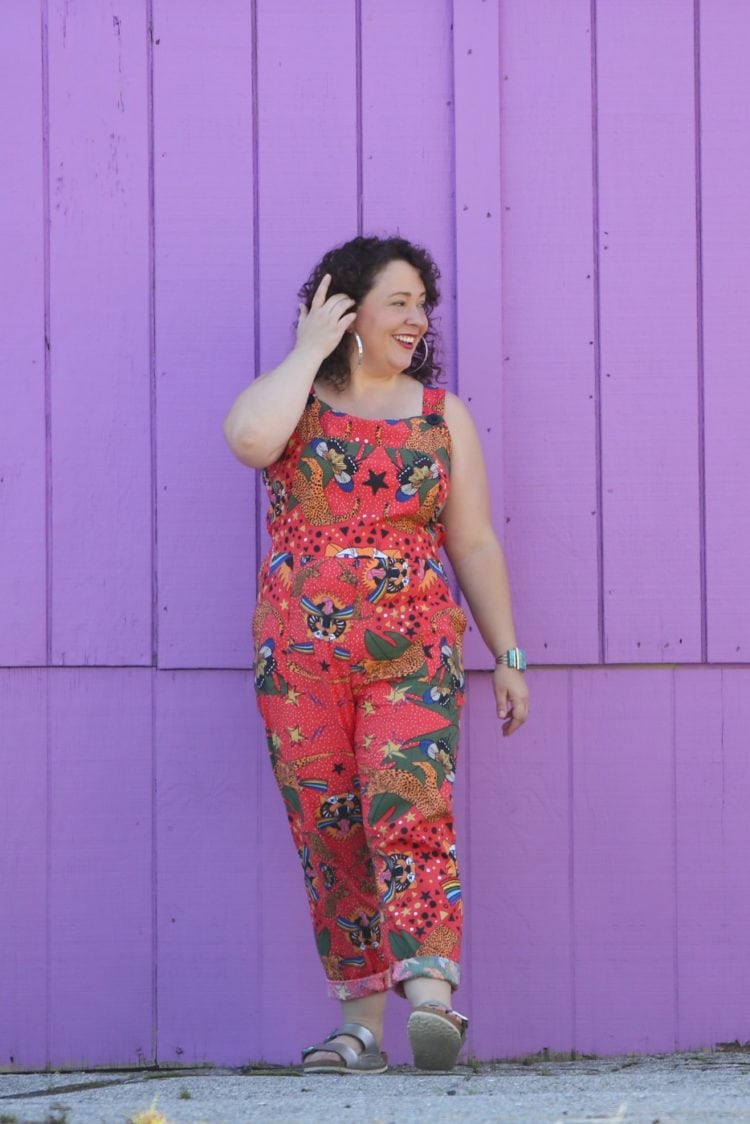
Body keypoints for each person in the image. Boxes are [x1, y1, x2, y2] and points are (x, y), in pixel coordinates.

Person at [223, 235, 529, 1073]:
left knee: (407, 806)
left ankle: (430, 996)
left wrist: (509, 653)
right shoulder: (297, 405)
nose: (418, 318)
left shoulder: (440, 414)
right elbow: (247, 439)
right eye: (400, 301)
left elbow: (471, 541)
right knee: (330, 831)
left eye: (423, 304)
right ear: (345, 307)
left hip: (414, 653)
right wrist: (308, 350)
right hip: (299, 661)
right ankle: (360, 1028)